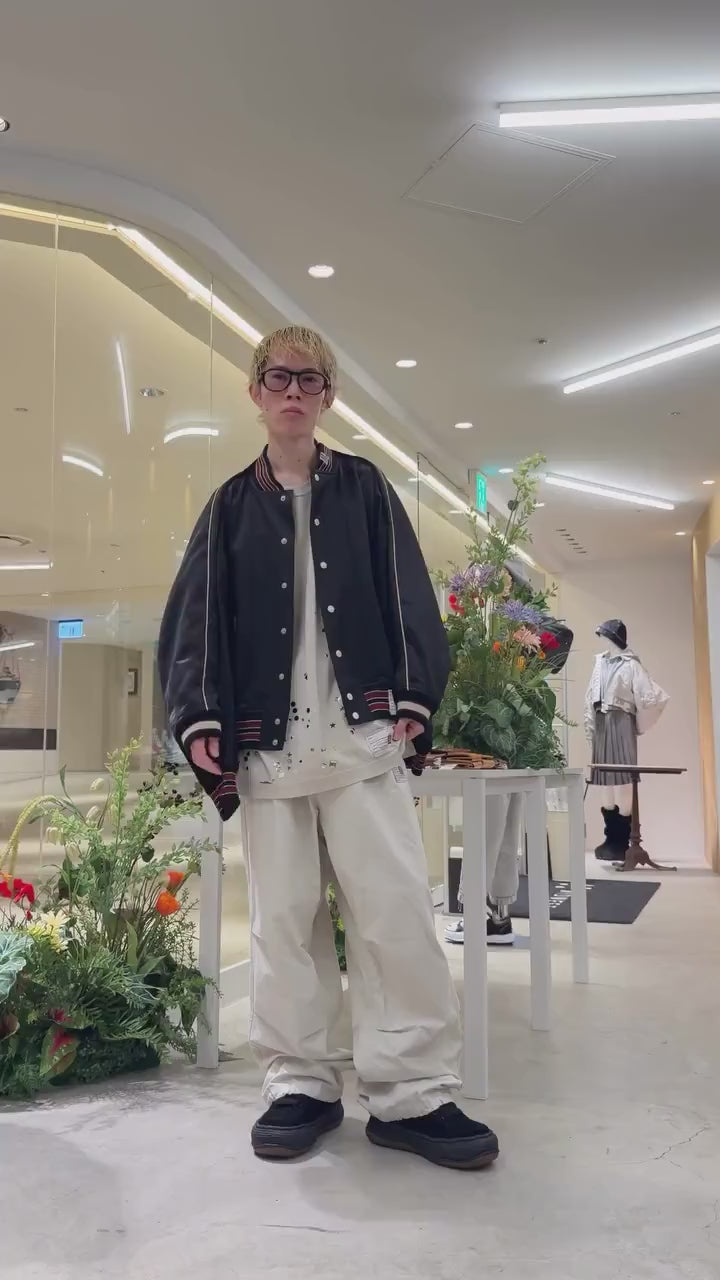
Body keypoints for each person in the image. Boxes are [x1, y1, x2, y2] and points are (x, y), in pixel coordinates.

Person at [158, 324, 499, 1171]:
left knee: (395, 914)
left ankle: (412, 1093)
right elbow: (196, 618)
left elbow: (407, 591)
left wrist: (413, 694)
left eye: (309, 379)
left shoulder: (366, 489)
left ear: (328, 395)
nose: (293, 391)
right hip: (268, 750)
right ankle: (300, 1084)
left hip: (362, 740)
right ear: (255, 392)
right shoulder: (228, 506)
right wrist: (201, 716)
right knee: (282, 923)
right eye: (278, 377)